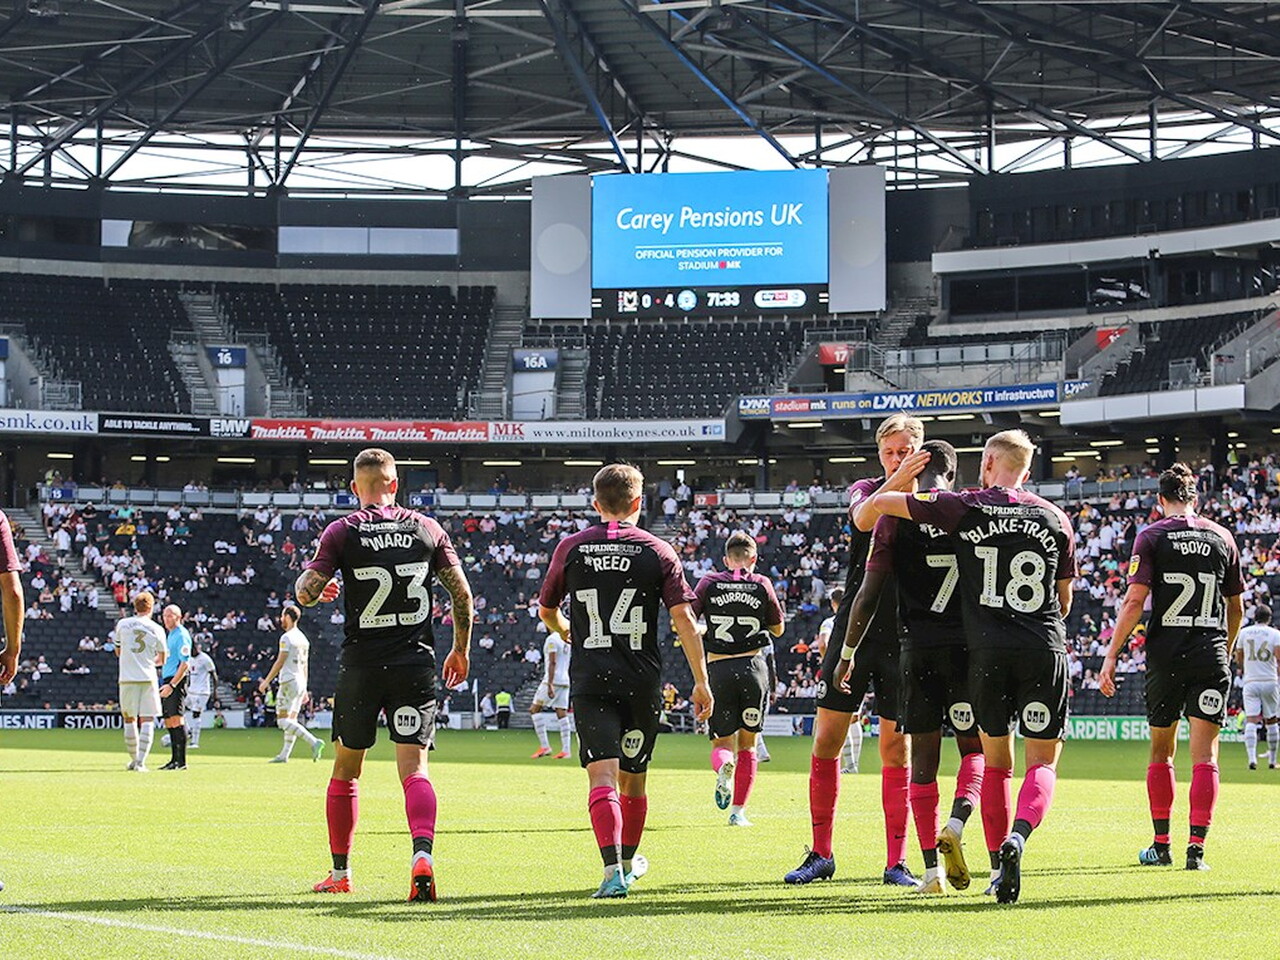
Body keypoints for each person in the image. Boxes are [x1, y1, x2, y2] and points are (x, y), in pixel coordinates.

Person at [865, 429, 1076, 904]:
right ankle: (1018, 837)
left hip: (985, 654)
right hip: (1042, 647)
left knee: (996, 763)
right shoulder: (1056, 517)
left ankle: (996, 870)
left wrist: (902, 475)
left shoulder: (965, 505)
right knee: (1042, 762)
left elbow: (883, 505)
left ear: (988, 463)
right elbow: (1064, 600)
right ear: (1027, 470)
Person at [297, 447, 473, 902]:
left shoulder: (342, 531)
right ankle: (422, 855)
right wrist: (460, 650)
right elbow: (462, 595)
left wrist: (317, 589)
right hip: (415, 663)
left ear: (354, 488)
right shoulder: (428, 527)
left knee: (346, 769)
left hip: (361, 665)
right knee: (415, 770)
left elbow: (305, 593)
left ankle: (340, 872)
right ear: (395, 484)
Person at [539, 463, 712, 899]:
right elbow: (684, 619)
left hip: (590, 679)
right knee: (634, 779)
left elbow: (546, 610)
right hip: (640, 681)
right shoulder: (658, 551)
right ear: (638, 503)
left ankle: (612, 871)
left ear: (596, 503)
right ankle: (630, 862)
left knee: (602, 777)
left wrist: (564, 629)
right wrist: (701, 681)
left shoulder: (571, 548)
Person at [786, 413, 930, 888]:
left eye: (905, 451)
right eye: (889, 451)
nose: (897, 458)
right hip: (855, 629)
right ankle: (821, 854)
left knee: (895, 748)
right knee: (827, 738)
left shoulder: (933, 499)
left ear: (921, 450)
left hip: (905, 636)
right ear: (879, 454)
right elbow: (863, 518)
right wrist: (897, 481)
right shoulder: (867, 489)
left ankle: (896, 862)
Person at [835, 440, 984, 895]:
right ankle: (958, 824)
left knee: (922, 761)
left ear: (915, 471)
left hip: (915, 651)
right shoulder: (971, 509)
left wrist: (847, 653)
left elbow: (867, 594)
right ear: (952, 474)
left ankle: (931, 873)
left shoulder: (894, 517)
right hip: (967, 651)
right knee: (976, 751)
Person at [1100, 463, 1244, 871]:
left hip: (1166, 657)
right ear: (1195, 498)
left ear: (1160, 500)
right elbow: (1236, 607)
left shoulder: (1152, 536)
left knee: (1162, 750)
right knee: (1206, 756)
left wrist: (1111, 654)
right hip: (1210, 654)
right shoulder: (1223, 537)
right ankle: (1196, 851)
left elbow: (1134, 601)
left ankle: (1161, 845)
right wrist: (1224, 648)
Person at [692, 530, 784, 827]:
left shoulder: (708, 582)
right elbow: (778, 629)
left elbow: (688, 621)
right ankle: (738, 813)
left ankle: (724, 766)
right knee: (748, 746)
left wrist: (707, 629)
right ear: (753, 559)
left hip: (718, 669)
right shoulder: (761, 583)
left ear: (725, 559)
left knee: (722, 744)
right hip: (753, 669)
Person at [259, 604, 324, 764]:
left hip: (289, 680)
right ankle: (284, 755)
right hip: (300, 681)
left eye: (282, 616)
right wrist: (305, 688)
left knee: (282, 721)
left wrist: (266, 681)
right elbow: (305, 665)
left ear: (288, 617)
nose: (281, 619)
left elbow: (280, 661)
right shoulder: (303, 639)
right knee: (291, 721)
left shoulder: (286, 637)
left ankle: (314, 741)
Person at [114, 592, 167, 773]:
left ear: (135, 607)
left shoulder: (122, 624)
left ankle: (133, 760)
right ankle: (141, 763)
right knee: (147, 719)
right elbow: (162, 659)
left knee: (129, 719)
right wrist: (147, 661)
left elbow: (118, 651)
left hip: (127, 678)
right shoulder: (157, 628)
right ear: (151, 607)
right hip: (148, 677)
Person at [815, 587, 862, 773]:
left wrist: (828, 662)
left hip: (838, 671)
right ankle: (854, 764)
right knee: (855, 717)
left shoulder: (830, 622)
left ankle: (850, 765)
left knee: (840, 717)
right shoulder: (859, 620)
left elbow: (822, 644)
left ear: (833, 603)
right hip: (858, 668)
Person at [1234, 604, 1280, 770]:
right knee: (1271, 720)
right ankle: (1272, 760)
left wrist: (1244, 667)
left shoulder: (1244, 632)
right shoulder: (1275, 634)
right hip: (1269, 680)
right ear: (1269, 618)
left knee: (1251, 720)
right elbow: (1278, 657)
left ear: (1254, 617)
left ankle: (1252, 759)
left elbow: (1239, 657)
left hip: (1251, 680)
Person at [158, 604, 193, 770]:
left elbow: (185, 663)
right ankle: (174, 760)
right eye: (164, 615)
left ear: (178, 617)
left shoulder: (181, 635)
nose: (166, 619)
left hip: (176, 680)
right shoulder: (170, 635)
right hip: (167, 679)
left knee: (177, 719)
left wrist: (172, 685)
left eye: (169, 615)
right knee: (169, 720)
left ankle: (182, 761)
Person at [530, 630, 573, 759]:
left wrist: (550, 684)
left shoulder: (552, 639)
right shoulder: (566, 639)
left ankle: (545, 746)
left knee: (534, 709)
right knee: (562, 713)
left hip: (553, 680)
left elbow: (552, 662)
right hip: (565, 680)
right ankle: (566, 750)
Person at [185, 641, 217, 749]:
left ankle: (195, 742)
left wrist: (215, 692)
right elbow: (189, 674)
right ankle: (188, 731)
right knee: (179, 708)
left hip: (202, 692)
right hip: (191, 691)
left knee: (196, 714)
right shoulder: (189, 658)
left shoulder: (205, 659)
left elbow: (214, 675)